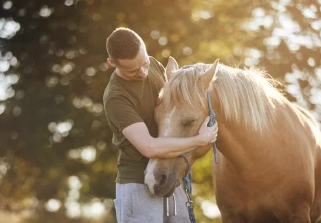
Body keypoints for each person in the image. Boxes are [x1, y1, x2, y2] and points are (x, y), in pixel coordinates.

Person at [103, 27, 218, 223]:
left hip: (169, 176)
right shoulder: (116, 97)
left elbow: (175, 107)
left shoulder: (154, 66)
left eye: (145, 62)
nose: (143, 72)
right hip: (137, 186)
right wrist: (200, 139)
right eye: (133, 70)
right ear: (112, 63)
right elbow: (149, 147)